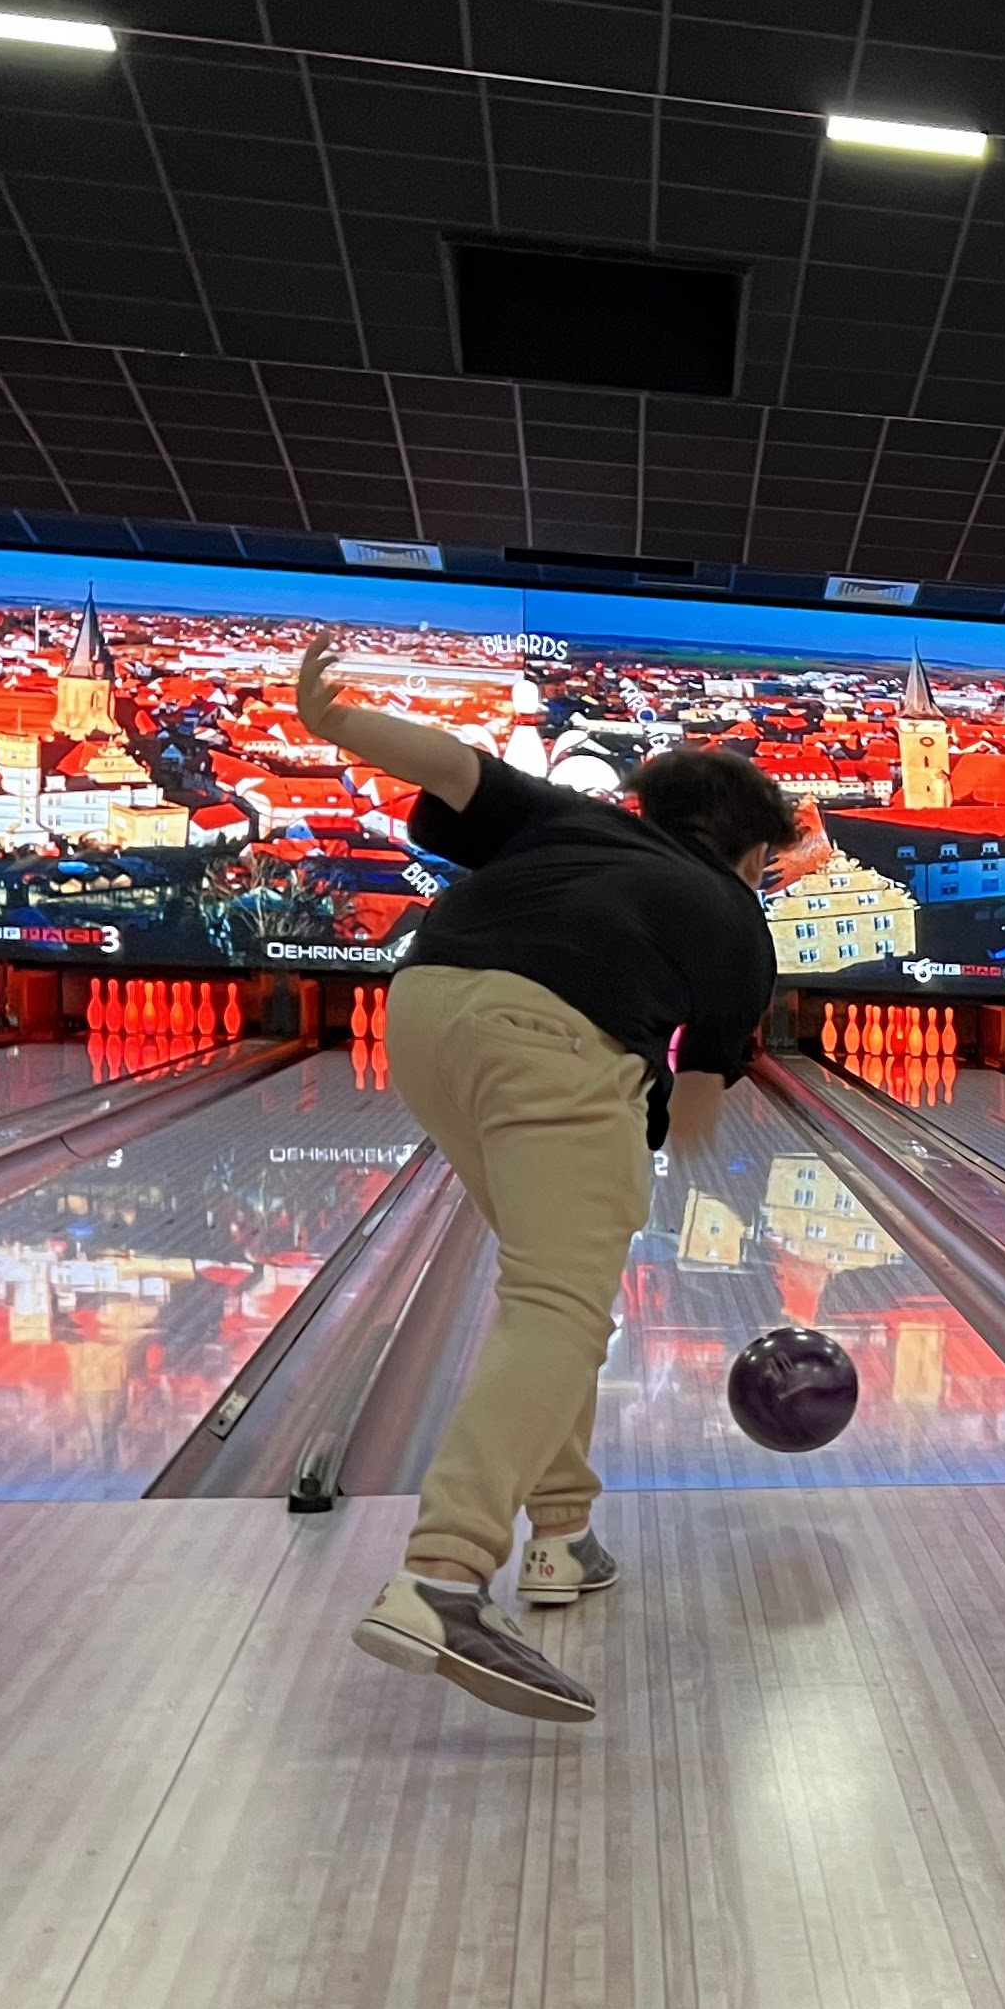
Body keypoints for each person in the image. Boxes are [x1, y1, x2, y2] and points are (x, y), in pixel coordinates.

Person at [293, 632, 789, 1721]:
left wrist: (333, 722)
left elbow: (452, 767)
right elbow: (699, 1103)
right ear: (752, 855)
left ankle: (561, 1532)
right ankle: (444, 1576)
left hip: (424, 1013)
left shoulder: (578, 820)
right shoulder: (735, 920)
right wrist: (680, 1183)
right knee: (561, 1302)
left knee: (549, 1297)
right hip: (554, 1045)